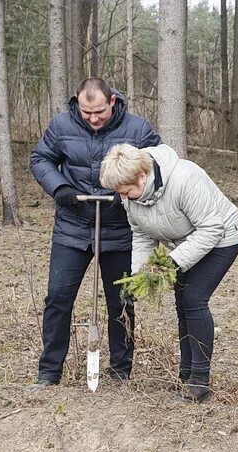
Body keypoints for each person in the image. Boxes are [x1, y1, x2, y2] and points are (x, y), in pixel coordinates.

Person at [28, 77, 161, 389]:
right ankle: (49, 373)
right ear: (77, 102)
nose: (94, 118)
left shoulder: (138, 129)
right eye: (87, 113)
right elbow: (40, 158)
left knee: (121, 300)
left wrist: (129, 191)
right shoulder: (61, 126)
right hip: (72, 228)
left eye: (99, 111)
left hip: (120, 228)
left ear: (112, 101)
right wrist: (58, 187)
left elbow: (157, 163)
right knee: (58, 298)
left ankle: (120, 373)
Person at [100, 143, 238, 402]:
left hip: (222, 236)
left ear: (142, 177)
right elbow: (142, 235)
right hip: (184, 244)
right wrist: (140, 274)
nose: (122, 197)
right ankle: (186, 374)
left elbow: (211, 229)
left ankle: (199, 383)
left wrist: (170, 264)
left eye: (125, 191)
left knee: (194, 299)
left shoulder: (185, 179)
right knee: (181, 303)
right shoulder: (131, 198)